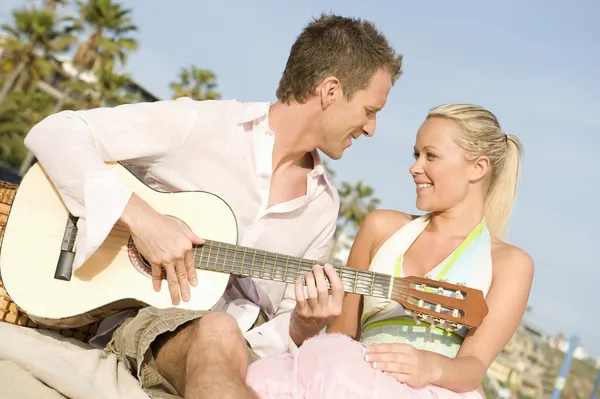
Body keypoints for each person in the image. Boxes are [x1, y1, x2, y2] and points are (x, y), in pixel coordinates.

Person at [22, 13, 403, 399]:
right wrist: (142, 219)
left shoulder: (323, 205)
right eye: (370, 111)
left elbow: (286, 322)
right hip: (152, 327)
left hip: (245, 356)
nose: (370, 128)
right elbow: (56, 132)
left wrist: (302, 326)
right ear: (331, 90)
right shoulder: (204, 126)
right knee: (221, 330)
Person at [245, 103, 534, 398]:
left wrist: (429, 366)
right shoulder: (381, 229)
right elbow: (342, 334)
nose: (415, 167)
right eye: (416, 154)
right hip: (353, 377)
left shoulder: (509, 263)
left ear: (478, 167)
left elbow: (474, 365)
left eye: (430, 156)